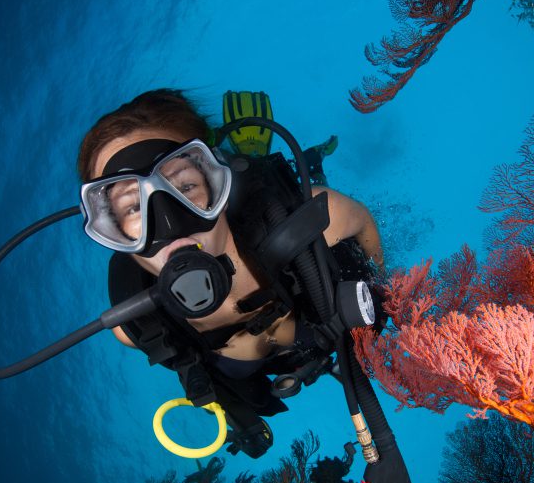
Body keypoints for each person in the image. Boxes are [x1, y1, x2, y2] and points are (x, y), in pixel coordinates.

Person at [77, 88, 385, 458]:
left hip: (271, 220)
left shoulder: (314, 218)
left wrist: (382, 284)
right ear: (112, 231)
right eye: (132, 208)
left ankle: (302, 159)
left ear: (213, 179)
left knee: (304, 181)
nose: (171, 225)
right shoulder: (135, 327)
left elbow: (363, 223)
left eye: (186, 185)